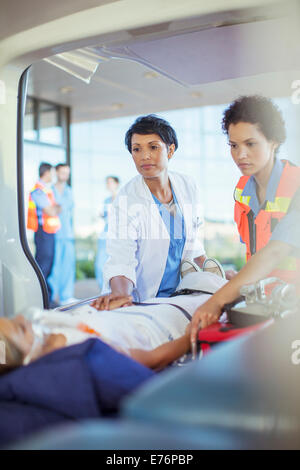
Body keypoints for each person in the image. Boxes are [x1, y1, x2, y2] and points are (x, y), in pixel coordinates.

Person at [190, 95, 300, 342]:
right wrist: (239, 278)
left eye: (251, 144)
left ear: (273, 142)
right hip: (262, 301)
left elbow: (273, 253)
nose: (241, 154)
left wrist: (216, 301)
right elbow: (255, 253)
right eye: (233, 145)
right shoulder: (242, 192)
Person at [0, 271, 227, 372]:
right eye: (20, 328)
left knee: (193, 286)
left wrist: (102, 307)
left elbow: (82, 322)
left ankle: (206, 279)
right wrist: (193, 335)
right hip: (163, 326)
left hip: (136, 312)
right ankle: (214, 279)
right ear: (27, 361)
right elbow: (154, 359)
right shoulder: (80, 358)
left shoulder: (47, 327)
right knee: (214, 295)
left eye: (12, 318)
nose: (23, 318)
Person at [93, 114, 206, 309]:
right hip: (143, 300)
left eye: (153, 147)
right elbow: (121, 257)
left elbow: (195, 248)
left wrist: (216, 280)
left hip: (181, 298)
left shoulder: (188, 186)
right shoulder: (127, 199)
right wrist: (121, 295)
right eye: (137, 149)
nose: (144, 156)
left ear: (170, 150)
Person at [27, 162, 61, 301]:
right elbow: (52, 210)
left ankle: (46, 297)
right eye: (52, 172)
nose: (53, 175)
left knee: (49, 264)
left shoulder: (46, 190)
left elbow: (55, 208)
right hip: (43, 233)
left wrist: (55, 208)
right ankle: (41, 298)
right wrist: (56, 208)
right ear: (46, 173)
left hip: (49, 232)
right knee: (43, 265)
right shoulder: (38, 190)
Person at [47, 163, 76, 305]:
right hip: (54, 234)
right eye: (63, 172)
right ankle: (52, 297)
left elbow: (62, 208)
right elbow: (52, 209)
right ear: (56, 173)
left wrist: (56, 207)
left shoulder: (69, 191)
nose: (65, 175)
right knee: (55, 266)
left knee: (68, 265)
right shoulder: (49, 190)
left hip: (67, 234)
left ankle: (66, 296)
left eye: (67, 173)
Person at [95, 176, 120, 290]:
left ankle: (114, 290)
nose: (108, 185)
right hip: (105, 236)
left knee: (117, 265)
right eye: (107, 183)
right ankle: (104, 290)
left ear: (116, 184)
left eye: (111, 182)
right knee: (100, 265)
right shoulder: (106, 201)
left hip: (118, 237)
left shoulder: (123, 199)